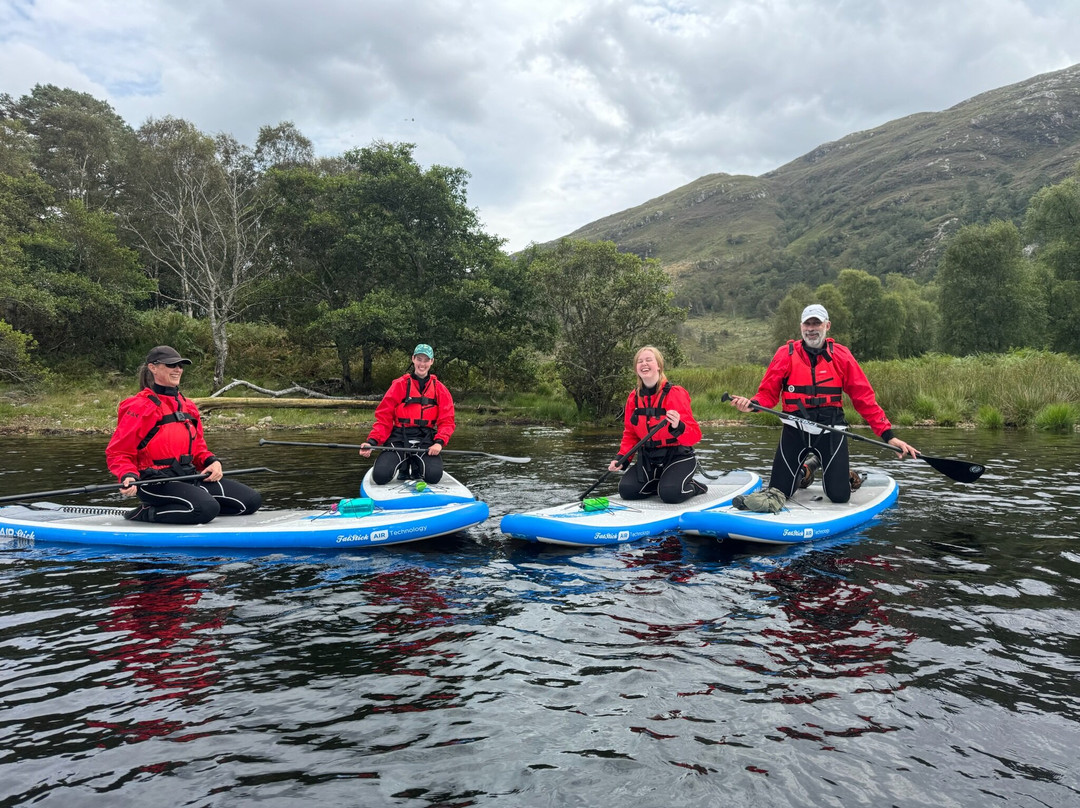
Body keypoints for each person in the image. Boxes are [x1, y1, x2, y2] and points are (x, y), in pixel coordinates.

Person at [729, 304, 918, 512]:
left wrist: (888, 435)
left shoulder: (841, 356)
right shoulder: (785, 354)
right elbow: (767, 394)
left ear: (827, 325)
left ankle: (844, 473)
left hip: (830, 431)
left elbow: (864, 398)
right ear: (801, 327)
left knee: (838, 497)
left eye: (816, 323)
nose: (811, 328)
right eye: (807, 324)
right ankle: (807, 469)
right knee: (781, 491)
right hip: (794, 429)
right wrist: (752, 406)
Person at [105, 346, 262, 524]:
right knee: (206, 508)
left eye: (180, 365)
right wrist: (128, 475)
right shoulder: (139, 406)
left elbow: (199, 448)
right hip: (153, 482)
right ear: (153, 368)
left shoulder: (188, 406)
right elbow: (118, 452)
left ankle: (195, 505)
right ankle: (144, 512)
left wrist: (212, 462)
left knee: (251, 501)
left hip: (188, 477)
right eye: (171, 365)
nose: (178, 369)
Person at [608, 345, 705, 504]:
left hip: (678, 456)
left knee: (670, 494)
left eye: (648, 360)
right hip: (649, 457)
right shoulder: (633, 397)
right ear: (636, 368)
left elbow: (695, 435)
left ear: (658, 366)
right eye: (640, 361)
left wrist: (678, 426)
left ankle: (695, 486)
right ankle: (661, 483)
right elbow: (630, 433)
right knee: (627, 490)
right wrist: (622, 459)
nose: (644, 364)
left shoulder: (675, 393)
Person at [359, 343, 455, 484]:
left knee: (434, 477)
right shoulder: (399, 384)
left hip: (425, 438)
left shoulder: (440, 389)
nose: (422, 364)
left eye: (426, 360)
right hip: (399, 437)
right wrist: (372, 442)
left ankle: (416, 466)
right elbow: (384, 418)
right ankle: (403, 467)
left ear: (432, 362)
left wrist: (439, 443)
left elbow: (447, 420)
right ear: (413, 359)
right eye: (419, 359)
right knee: (380, 477)